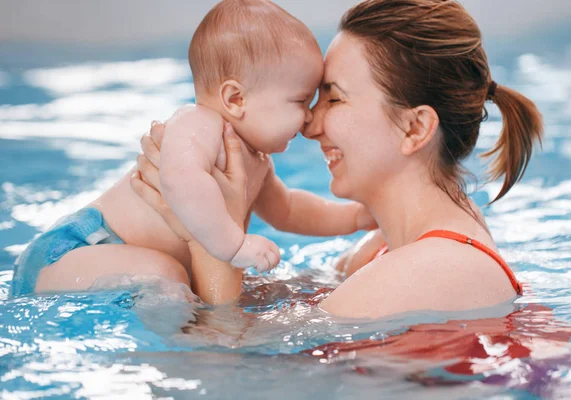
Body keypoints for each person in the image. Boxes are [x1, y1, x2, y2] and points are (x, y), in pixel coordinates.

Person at [133, 0, 543, 318]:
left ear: (415, 129)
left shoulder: (431, 269)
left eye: (335, 97)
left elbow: (225, 374)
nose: (310, 126)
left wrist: (203, 238)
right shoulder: (391, 248)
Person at [10, 0, 375, 297]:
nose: (311, 120)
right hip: (73, 252)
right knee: (166, 275)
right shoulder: (198, 124)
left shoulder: (255, 160)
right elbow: (180, 179)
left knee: (184, 282)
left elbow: (290, 209)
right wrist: (232, 246)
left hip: (112, 259)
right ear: (235, 99)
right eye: (300, 101)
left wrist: (356, 217)